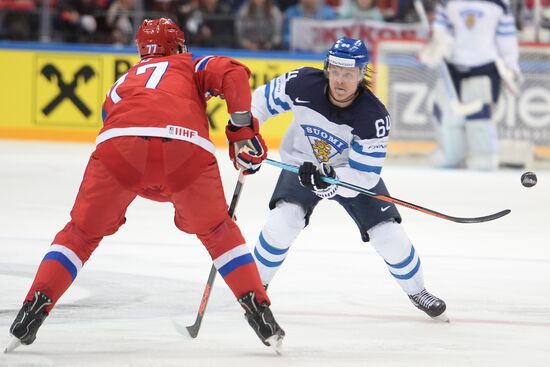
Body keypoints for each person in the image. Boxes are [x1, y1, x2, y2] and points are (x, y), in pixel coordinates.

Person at [6, 18, 284, 353]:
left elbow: (129, 139)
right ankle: (259, 310)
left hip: (119, 148)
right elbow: (233, 73)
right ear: (180, 45)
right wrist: (243, 133)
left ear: (140, 50)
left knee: (80, 234)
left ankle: (34, 306)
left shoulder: (122, 81)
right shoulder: (191, 63)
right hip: (185, 149)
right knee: (217, 232)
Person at [249, 37, 448, 322]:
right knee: (284, 221)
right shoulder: (302, 83)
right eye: (337, 72)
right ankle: (254, 290)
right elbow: (260, 102)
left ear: (361, 73)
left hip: (349, 174)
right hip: (301, 165)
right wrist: (247, 133)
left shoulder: (374, 116)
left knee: (388, 234)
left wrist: (331, 179)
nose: (340, 81)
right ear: (328, 68)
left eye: (349, 74)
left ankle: (418, 291)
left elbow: (365, 175)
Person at [418, 0, 522, 170]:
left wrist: (510, 64)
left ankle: (483, 157)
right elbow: (442, 28)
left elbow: (506, 36)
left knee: (479, 119)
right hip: (452, 65)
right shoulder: (448, 2)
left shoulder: (500, 3)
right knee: (446, 115)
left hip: (484, 66)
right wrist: (437, 44)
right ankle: (450, 155)